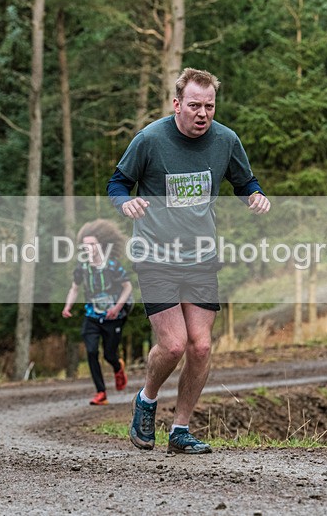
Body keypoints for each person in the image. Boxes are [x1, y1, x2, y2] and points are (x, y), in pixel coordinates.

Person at [107, 67, 271, 454]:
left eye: (209, 106)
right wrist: (126, 202)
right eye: (194, 105)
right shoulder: (150, 140)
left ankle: (180, 429)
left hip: (201, 258)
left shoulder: (226, 140)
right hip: (156, 256)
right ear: (177, 104)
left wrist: (255, 195)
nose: (203, 114)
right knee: (175, 345)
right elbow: (117, 183)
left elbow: (244, 181)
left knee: (201, 347)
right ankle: (146, 400)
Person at [62, 219, 132, 406]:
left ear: (100, 245)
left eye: (92, 244)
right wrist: (67, 306)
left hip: (112, 317)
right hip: (92, 316)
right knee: (92, 351)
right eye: (86, 245)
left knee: (109, 354)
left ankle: (118, 367)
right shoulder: (82, 267)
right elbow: (74, 288)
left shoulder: (112, 266)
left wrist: (117, 307)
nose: (89, 248)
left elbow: (127, 287)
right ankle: (101, 392)